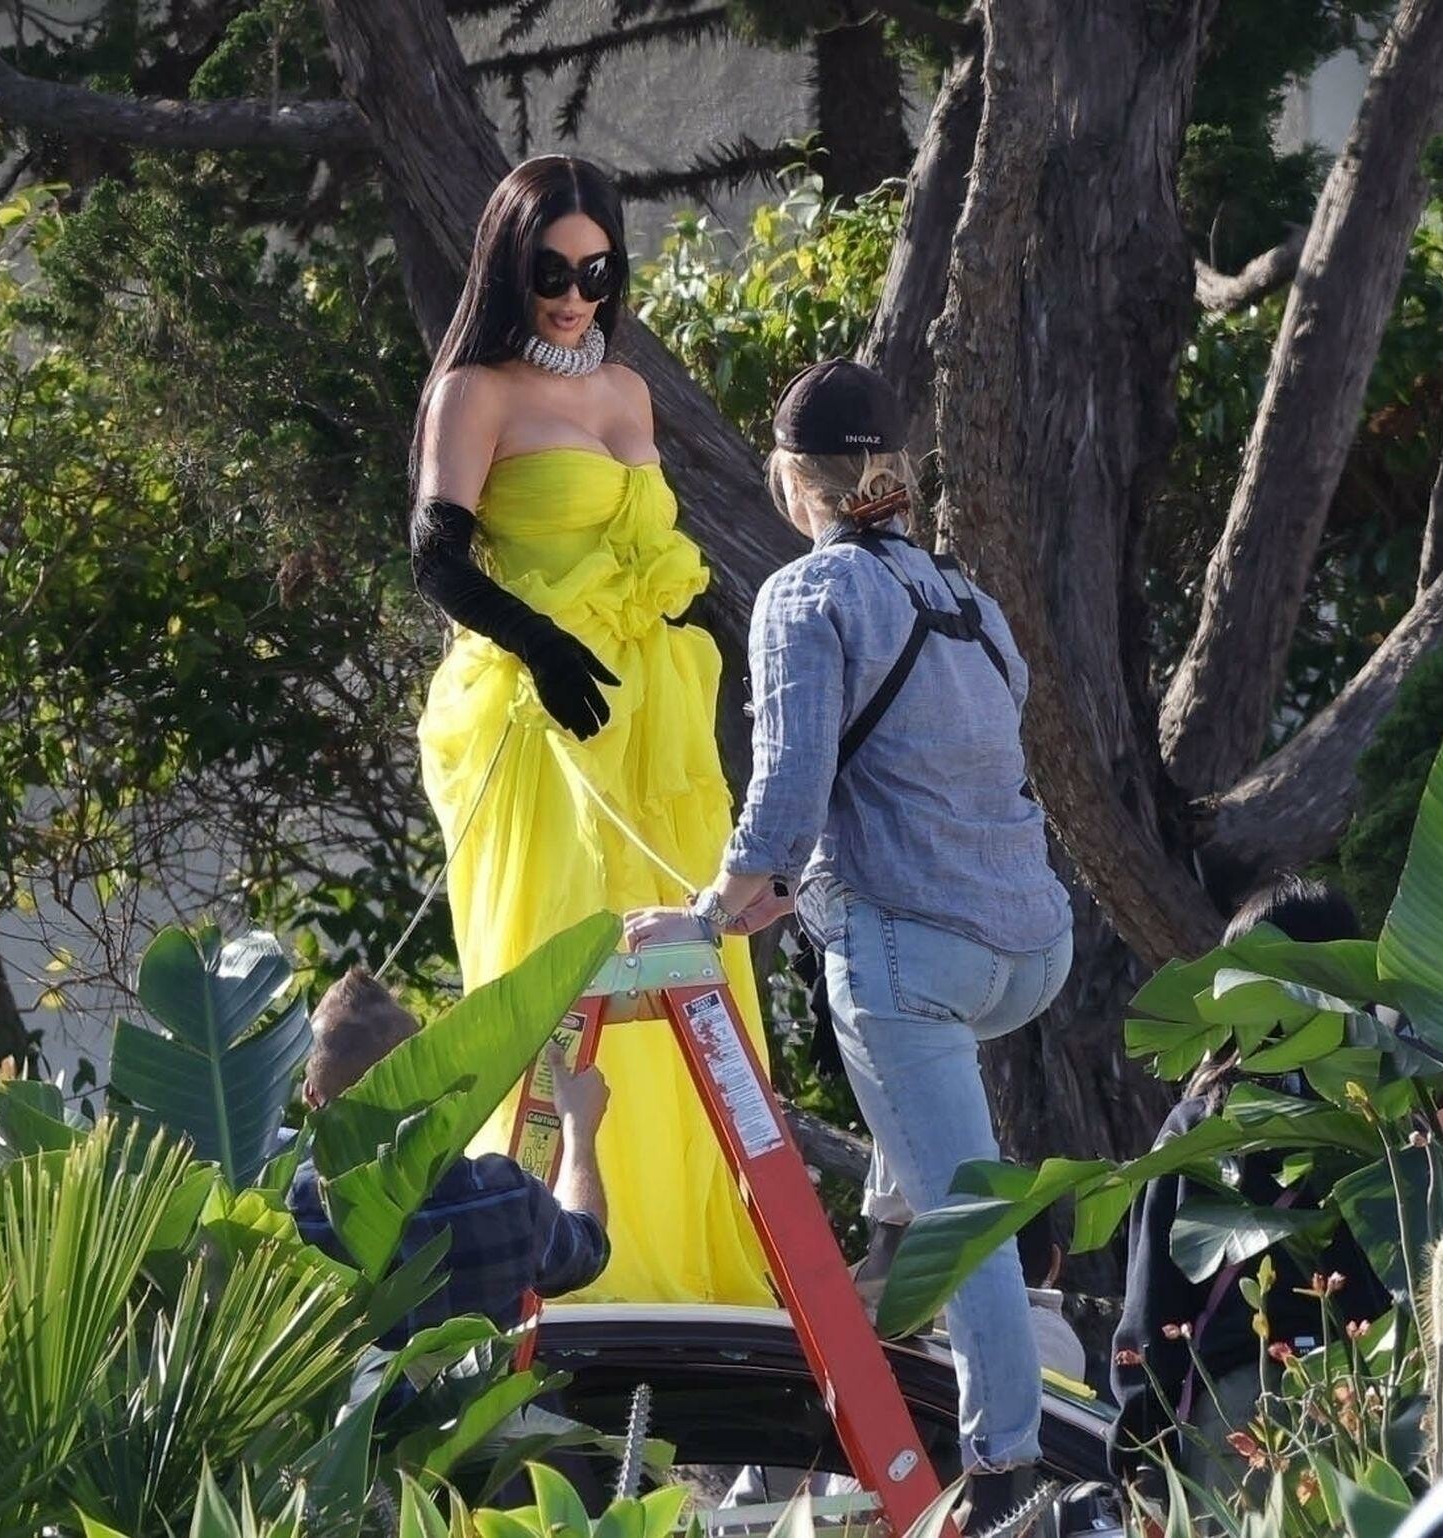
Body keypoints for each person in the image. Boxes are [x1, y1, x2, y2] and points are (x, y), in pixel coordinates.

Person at [624, 358, 1075, 1533]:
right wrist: (792, 886)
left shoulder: (806, 595)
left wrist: (709, 917)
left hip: (915, 962)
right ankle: (889, 1247)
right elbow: (936, 776)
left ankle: (1006, 1475)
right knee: (925, 1158)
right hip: (1030, 948)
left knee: (965, 1223)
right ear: (896, 473)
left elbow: (785, 798)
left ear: (790, 480)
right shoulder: (970, 602)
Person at [408, 154, 772, 1305]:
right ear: (511, 269)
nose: (575, 296)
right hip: (539, 724)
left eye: (597, 272)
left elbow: (656, 555)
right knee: (559, 971)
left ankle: (694, 1269)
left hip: (650, 726)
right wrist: (541, 646)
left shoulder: (625, 391)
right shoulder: (476, 393)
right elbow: (434, 556)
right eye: (552, 273)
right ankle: (559, 1268)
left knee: (683, 976)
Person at [1107, 875, 1433, 1505]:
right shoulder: (1391, 1118)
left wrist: (1139, 1454)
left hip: (1244, 1417)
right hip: (1377, 1404)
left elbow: (1154, 1304)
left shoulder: (1203, 1128)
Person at [287, 967, 611, 1345]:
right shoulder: (504, 1195)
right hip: (473, 1387)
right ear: (431, 1079)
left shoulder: (289, 1212)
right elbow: (586, 1249)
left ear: (311, 1095)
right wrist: (578, 1129)